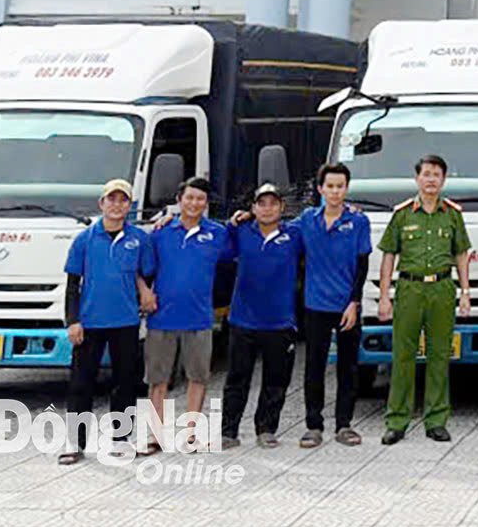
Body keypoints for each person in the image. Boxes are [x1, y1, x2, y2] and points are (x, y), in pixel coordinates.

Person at [375, 155, 472, 445]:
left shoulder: (452, 214)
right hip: (409, 289)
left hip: (442, 289)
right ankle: (397, 421)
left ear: (443, 180)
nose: (431, 179)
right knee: (402, 356)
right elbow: (389, 255)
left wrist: (465, 293)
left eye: (436, 174)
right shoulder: (403, 214)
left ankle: (436, 420)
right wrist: (383, 296)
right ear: (417, 178)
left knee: (439, 355)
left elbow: (461, 254)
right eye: (426, 174)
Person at [59, 179, 156, 464]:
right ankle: (75, 444)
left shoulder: (139, 239)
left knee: (125, 383)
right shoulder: (85, 240)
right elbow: (72, 284)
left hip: (125, 322)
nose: (117, 205)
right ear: (101, 204)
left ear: (130, 205)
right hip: (90, 324)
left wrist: (141, 295)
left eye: (123, 200)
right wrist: (73, 320)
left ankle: (120, 440)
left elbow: (146, 274)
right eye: (111, 199)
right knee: (80, 384)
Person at [141, 175, 231, 455]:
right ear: (179, 201)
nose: (194, 203)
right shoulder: (160, 233)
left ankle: (191, 434)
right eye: (189, 198)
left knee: (198, 376)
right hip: (162, 318)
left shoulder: (217, 234)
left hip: (199, 317)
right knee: (158, 379)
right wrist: (144, 292)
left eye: (200, 199)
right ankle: (155, 435)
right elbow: (140, 269)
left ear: (206, 204)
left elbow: (239, 248)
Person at [294, 161, 372, 448]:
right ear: (320, 189)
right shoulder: (307, 219)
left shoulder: (358, 221)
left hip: (346, 305)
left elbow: (362, 265)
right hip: (315, 304)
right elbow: (274, 227)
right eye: (330, 186)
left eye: (340, 186)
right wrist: (245, 215)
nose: (335, 191)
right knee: (314, 366)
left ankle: (344, 424)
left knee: (348, 367)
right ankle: (313, 425)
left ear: (347, 189)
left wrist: (355, 302)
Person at [221, 183, 302, 449]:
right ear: (252, 208)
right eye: (261, 203)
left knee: (276, 380)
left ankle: (266, 428)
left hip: (280, 321)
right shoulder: (241, 232)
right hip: (243, 319)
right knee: (236, 378)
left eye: (272, 203)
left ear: (281, 207)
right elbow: (221, 248)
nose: (267, 209)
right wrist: (232, 223)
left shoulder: (294, 235)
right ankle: (229, 431)